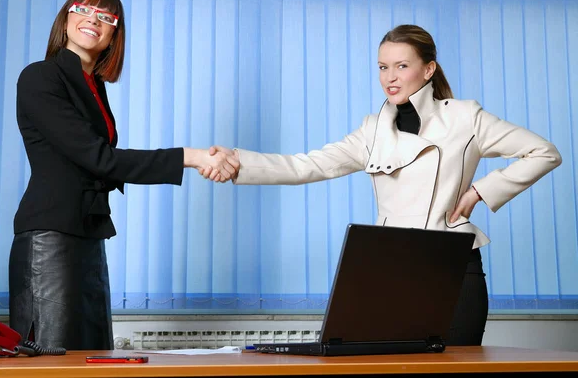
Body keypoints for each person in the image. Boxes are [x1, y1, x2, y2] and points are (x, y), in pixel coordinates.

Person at [201, 24, 562, 346]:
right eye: (383, 67)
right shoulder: (371, 129)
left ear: (428, 70)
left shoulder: (465, 118)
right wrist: (236, 162)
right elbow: (305, 166)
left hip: (452, 265)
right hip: (389, 268)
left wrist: (479, 192)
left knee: (458, 368)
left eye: (401, 66)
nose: (390, 76)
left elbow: (543, 152)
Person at [9, 0, 238, 350]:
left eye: (105, 17)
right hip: (50, 240)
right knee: (54, 360)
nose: (92, 20)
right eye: (83, 9)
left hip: (88, 235)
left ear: (114, 34)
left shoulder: (94, 85)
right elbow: (99, 158)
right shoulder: (41, 76)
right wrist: (191, 156)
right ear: (66, 17)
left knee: (96, 356)